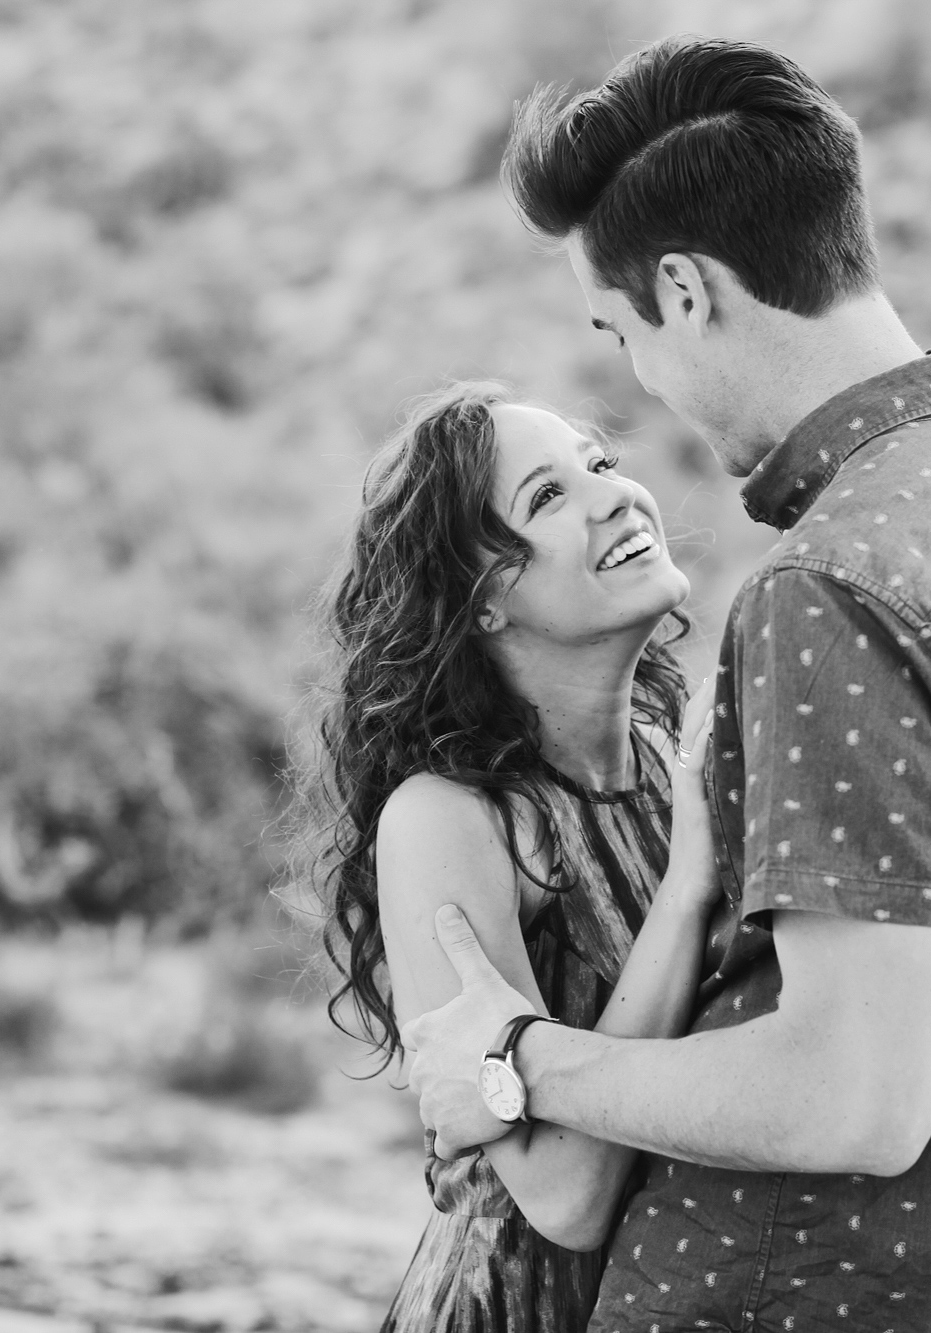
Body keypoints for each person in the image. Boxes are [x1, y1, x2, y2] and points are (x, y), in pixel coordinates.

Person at [402, 36, 931, 1332]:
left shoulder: (831, 583)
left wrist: (522, 1058)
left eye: (622, 332)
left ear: (688, 292)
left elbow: (853, 1096)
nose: (641, 380)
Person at [307, 381, 724, 1330]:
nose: (615, 495)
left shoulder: (681, 763)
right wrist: (690, 886)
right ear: (484, 599)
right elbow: (564, 1193)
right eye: (547, 497)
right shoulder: (449, 822)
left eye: (601, 464)